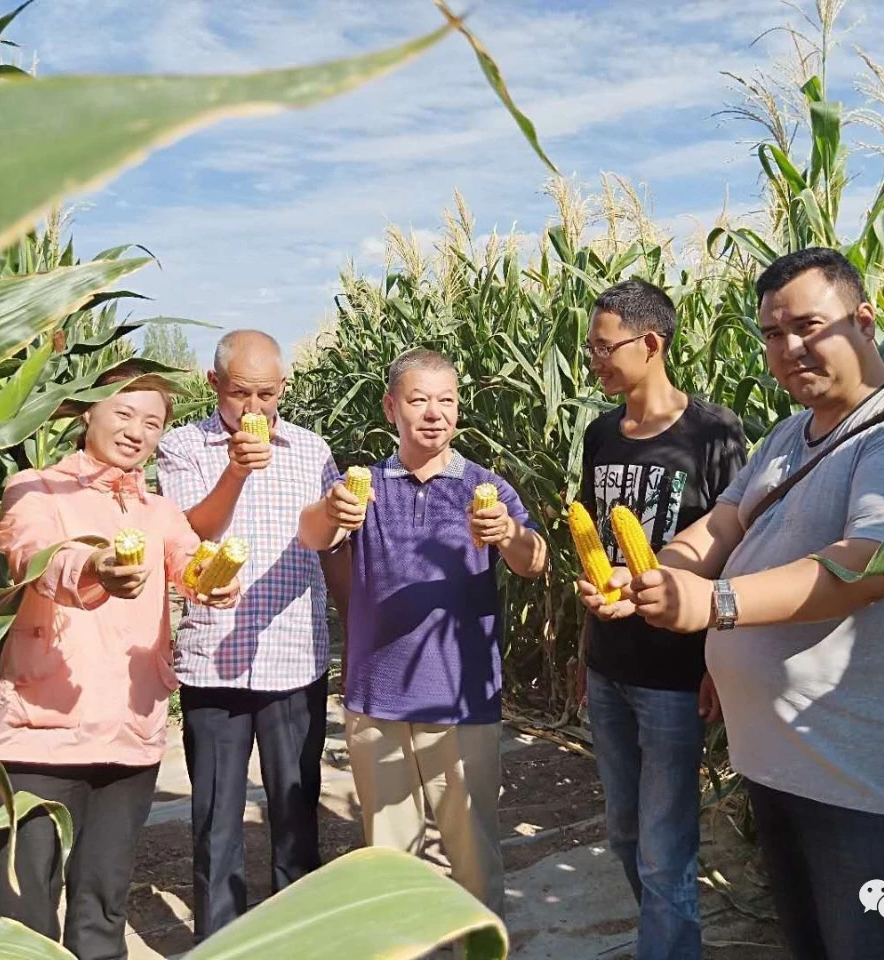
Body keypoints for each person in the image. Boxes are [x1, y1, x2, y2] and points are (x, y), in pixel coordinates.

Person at [581, 247, 884, 960]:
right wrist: (650, 576)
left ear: (863, 319)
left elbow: (875, 566)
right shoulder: (785, 438)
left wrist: (716, 603)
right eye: (772, 333)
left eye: (808, 325)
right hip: (787, 769)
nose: (789, 348)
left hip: (872, 786)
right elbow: (722, 525)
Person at [0, 362, 239, 960]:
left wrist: (213, 580)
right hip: (41, 732)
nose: (137, 432)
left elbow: (188, 557)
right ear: (88, 413)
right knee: (24, 909)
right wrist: (95, 569)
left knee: (104, 907)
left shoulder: (157, 512)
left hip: (131, 731)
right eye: (124, 413)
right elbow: (33, 557)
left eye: (152, 423)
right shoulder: (35, 488)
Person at [298, 348, 547, 916]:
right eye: (418, 400)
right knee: (388, 855)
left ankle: (479, 948)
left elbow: (536, 560)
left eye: (447, 400)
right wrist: (333, 508)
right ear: (391, 408)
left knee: (472, 852)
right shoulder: (364, 488)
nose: (434, 413)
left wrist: (508, 532)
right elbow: (312, 536)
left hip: (461, 700)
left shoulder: (485, 486)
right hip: (376, 698)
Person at [156, 330, 349, 942]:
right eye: (241, 393)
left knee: (295, 813)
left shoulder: (313, 449)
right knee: (215, 820)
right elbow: (189, 532)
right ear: (215, 386)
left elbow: (330, 545)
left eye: (267, 394)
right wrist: (236, 470)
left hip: (293, 657)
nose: (255, 409)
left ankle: (292, 939)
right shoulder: (183, 448)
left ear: (283, 389)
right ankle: (220, 944)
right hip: (214, 661)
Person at [577, 278, 747, 960]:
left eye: (603, 347)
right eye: (588, 348)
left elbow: (739, 542)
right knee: (623, 831)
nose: (594, 361)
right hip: (609, 665)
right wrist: (582, 654)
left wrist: (719, 660)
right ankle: (666, 942)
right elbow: (594, 547)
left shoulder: (714, 430)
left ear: (651, 344)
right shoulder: (598, 434)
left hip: (675, 675)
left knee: (664, 844)